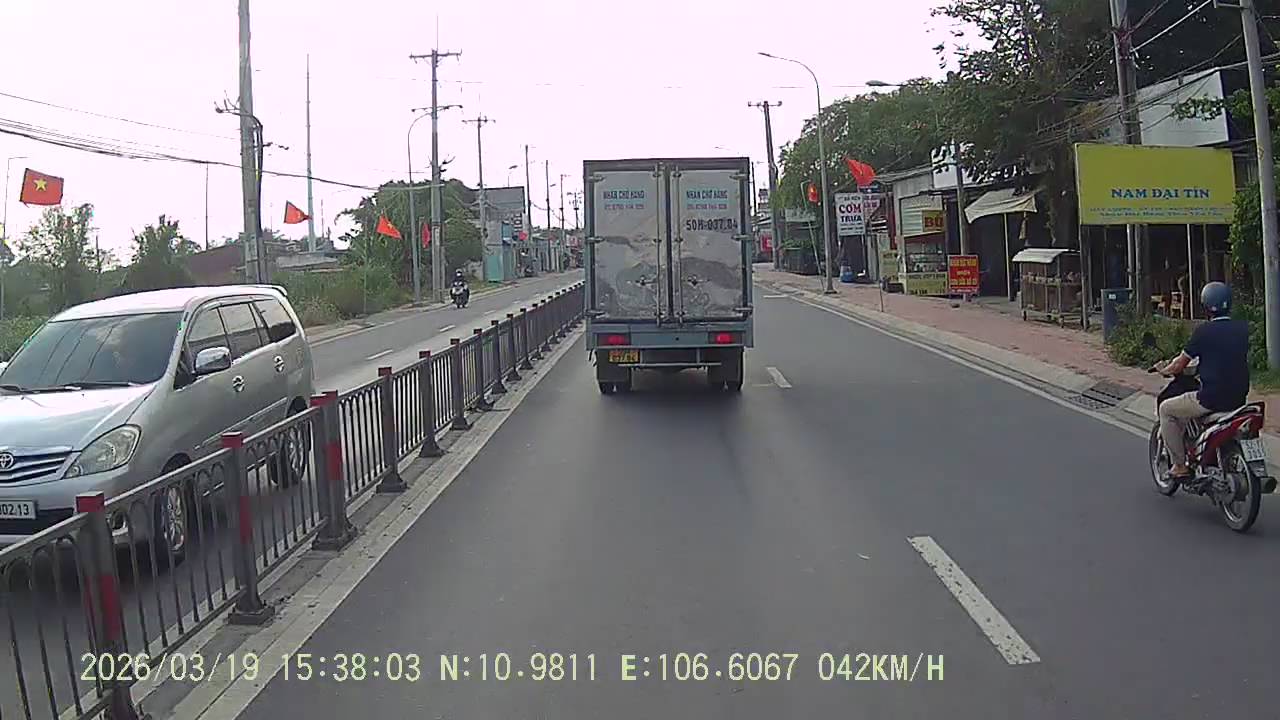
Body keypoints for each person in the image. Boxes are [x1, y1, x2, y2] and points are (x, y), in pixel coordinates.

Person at [1153, 281, 1250, 479]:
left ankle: (1179, 465)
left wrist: (1165, 370)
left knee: (1166, 409)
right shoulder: (1242, 329)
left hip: (1210, 398)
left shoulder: (1203, 332)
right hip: (1239, 398)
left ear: (1205, 305)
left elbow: (1179, 365)